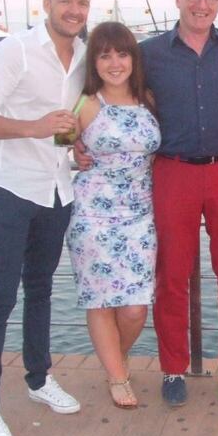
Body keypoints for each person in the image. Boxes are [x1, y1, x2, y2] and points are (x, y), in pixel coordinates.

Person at [77, 0, 218, 406]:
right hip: (171, 171)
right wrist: (74, 145)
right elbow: (106, 95)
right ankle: (173, 369)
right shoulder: (149, 53)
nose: (202, 4)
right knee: (171, 276)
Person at [0, 0, 90, 436]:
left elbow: (68, 118)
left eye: (81, 2)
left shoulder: (82, 55)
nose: (74, 11)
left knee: (40, 291)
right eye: (66, 1)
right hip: (12, 190)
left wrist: (70, 144)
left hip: (58, 189)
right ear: (46, 2)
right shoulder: (14, 49)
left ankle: (38, 379)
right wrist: (33, 127)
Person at [66, 21, 160, 409]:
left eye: (122, 53)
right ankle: (118, 376)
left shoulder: (148, 99)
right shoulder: (85, 103)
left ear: (133, 58)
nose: (115, 62)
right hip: (94, 216)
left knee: (136, 307)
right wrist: (72, 147)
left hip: (140, 216)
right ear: (95, 63)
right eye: (105, 55)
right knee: (102, 301)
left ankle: (113, 359)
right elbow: (59, 144)